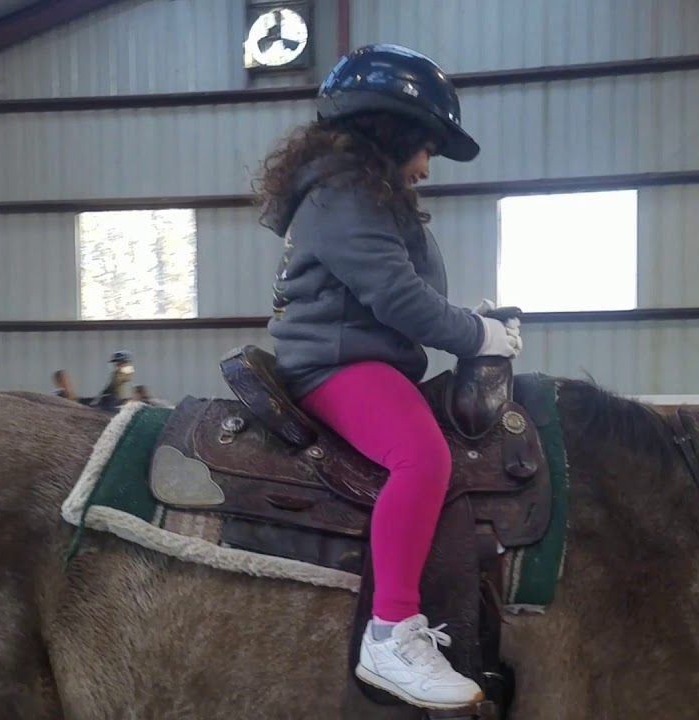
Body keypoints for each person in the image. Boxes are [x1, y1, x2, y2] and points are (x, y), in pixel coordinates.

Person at [256, 44, 523, 710]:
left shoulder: (357, 195)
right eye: (424, 147)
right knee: (422, 458)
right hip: (336, 364)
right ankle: (390, 632)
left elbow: (404, 293)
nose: (427, 165)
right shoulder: (343, 195)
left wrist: (467, 322)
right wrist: (478, 334)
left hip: (363, 355)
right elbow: (399, 299)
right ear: (392, 132)